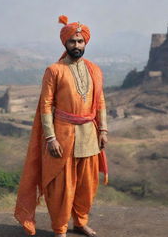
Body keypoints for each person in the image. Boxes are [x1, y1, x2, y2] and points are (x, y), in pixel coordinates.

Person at [14, 15, 108, 237]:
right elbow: (46, 105)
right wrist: (50, 138)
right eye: (73, 42)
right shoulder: (54, 70)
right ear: (65, 43)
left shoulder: (94, 69)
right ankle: (60, 229)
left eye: (80, 41)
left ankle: (80, 221)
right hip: (62, 136)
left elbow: (101, 100)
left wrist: (103, 130)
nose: (77, 45)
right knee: (61, 188)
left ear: (86, 43)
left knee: (87, 185)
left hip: (89, 135)